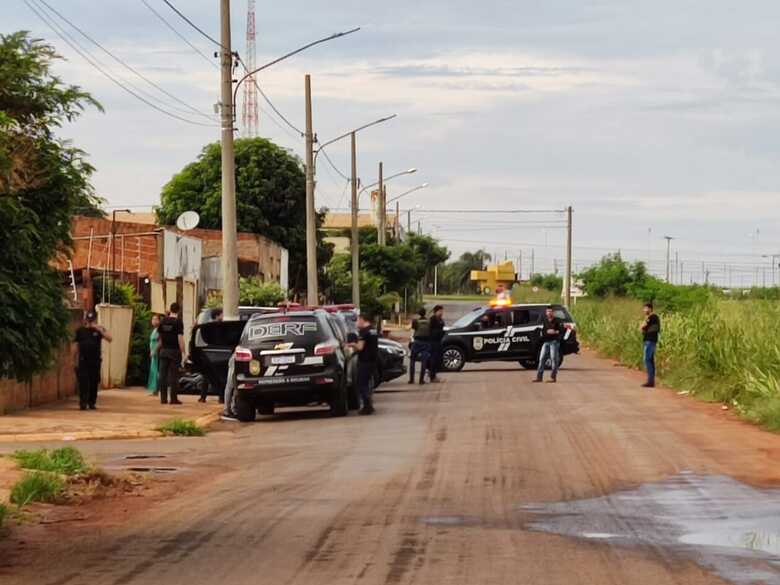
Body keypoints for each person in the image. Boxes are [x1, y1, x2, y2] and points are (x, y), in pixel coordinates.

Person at [73, 311, 112, 410]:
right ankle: (83, 403)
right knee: (83, 382)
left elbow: (110, 338)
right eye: (88, 320)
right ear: (85, 320)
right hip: (83, 360)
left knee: (94, 382)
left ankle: (92, 402)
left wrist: (99, 329)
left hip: (95, 360)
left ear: (95, 319)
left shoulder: (99, 330)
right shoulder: (80, 331)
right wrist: (74, 360)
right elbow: (75, 346)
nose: (90, 322)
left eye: (92, 320)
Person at [349, 313, 378, 415]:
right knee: (367, 383)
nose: (357, 322)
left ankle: (367, 406)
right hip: (372, 360)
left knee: (361, 384)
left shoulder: (363, 332)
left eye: (358, 320)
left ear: (362, 320)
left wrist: (352, 344)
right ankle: (369, 404)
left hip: (365, 360)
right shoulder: (373, 330)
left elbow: (360, 347)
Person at [157, 302, 185, 405]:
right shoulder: (178, 322)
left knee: (162, 375)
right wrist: (184, 352)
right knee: (173, 375)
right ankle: (173, 399)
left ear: (170, 309)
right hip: (174, 351)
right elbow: (180, 338)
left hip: (164, 351)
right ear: (178, 310)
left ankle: (163, 399)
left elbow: (160, 337)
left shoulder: (163, 321)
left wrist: (157, 349)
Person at [533, 306, 563, 384]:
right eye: (548, 311)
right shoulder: (544, 320)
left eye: (550, 311)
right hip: (546, 342)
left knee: (554, 359)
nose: (549, 313)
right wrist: (546, 332)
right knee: (542, 358)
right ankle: (539, 377)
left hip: (554, 342)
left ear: (553, 312)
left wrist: (555, 332)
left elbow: (561, 331)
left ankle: (553, 377)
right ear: (546, 313)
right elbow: (541, 331)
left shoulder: (558, 320)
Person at [640, 302, 661, 388]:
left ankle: (650, 381)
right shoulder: (651, 317)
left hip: (650, 341)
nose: (644, 310)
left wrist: (642, 326)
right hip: (649, 340)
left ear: (650, 309)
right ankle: (651, 381)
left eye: (645, 308)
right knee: (650, 360)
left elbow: (642, 327)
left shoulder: (652, 317)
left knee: (647, 360)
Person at [409, 308, 432, 385]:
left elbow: (413, 330)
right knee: (424, 361)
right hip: (426, 342)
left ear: (419, 313)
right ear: (425, 313)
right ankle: (421, 380)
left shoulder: (415, 321)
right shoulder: (429, 322)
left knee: (412, 360)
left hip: (417, 342)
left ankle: (411, 379)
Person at [428, 305, 445, 383]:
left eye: (442, 311)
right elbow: (430, 331)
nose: (442, 312)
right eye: (440, 311)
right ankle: (432, 376)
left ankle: (433, 374)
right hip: (433, 342)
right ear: (436, 311)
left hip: (439, 341)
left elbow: (442, 327)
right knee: (433, 359)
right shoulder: (432, 319)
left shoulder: (440, 319)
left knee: (439, 359)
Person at [146, 314, 160, 395]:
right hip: (152, 352)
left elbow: (159, 342)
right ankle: (154, 389)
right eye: (153, 319)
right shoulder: (154, 330)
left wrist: (154, 351)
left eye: (156, 319)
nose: (154, 321)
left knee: (156, 370)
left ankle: (156, 390)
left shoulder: (159, 330)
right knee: (153, 370)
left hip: (156, 352)